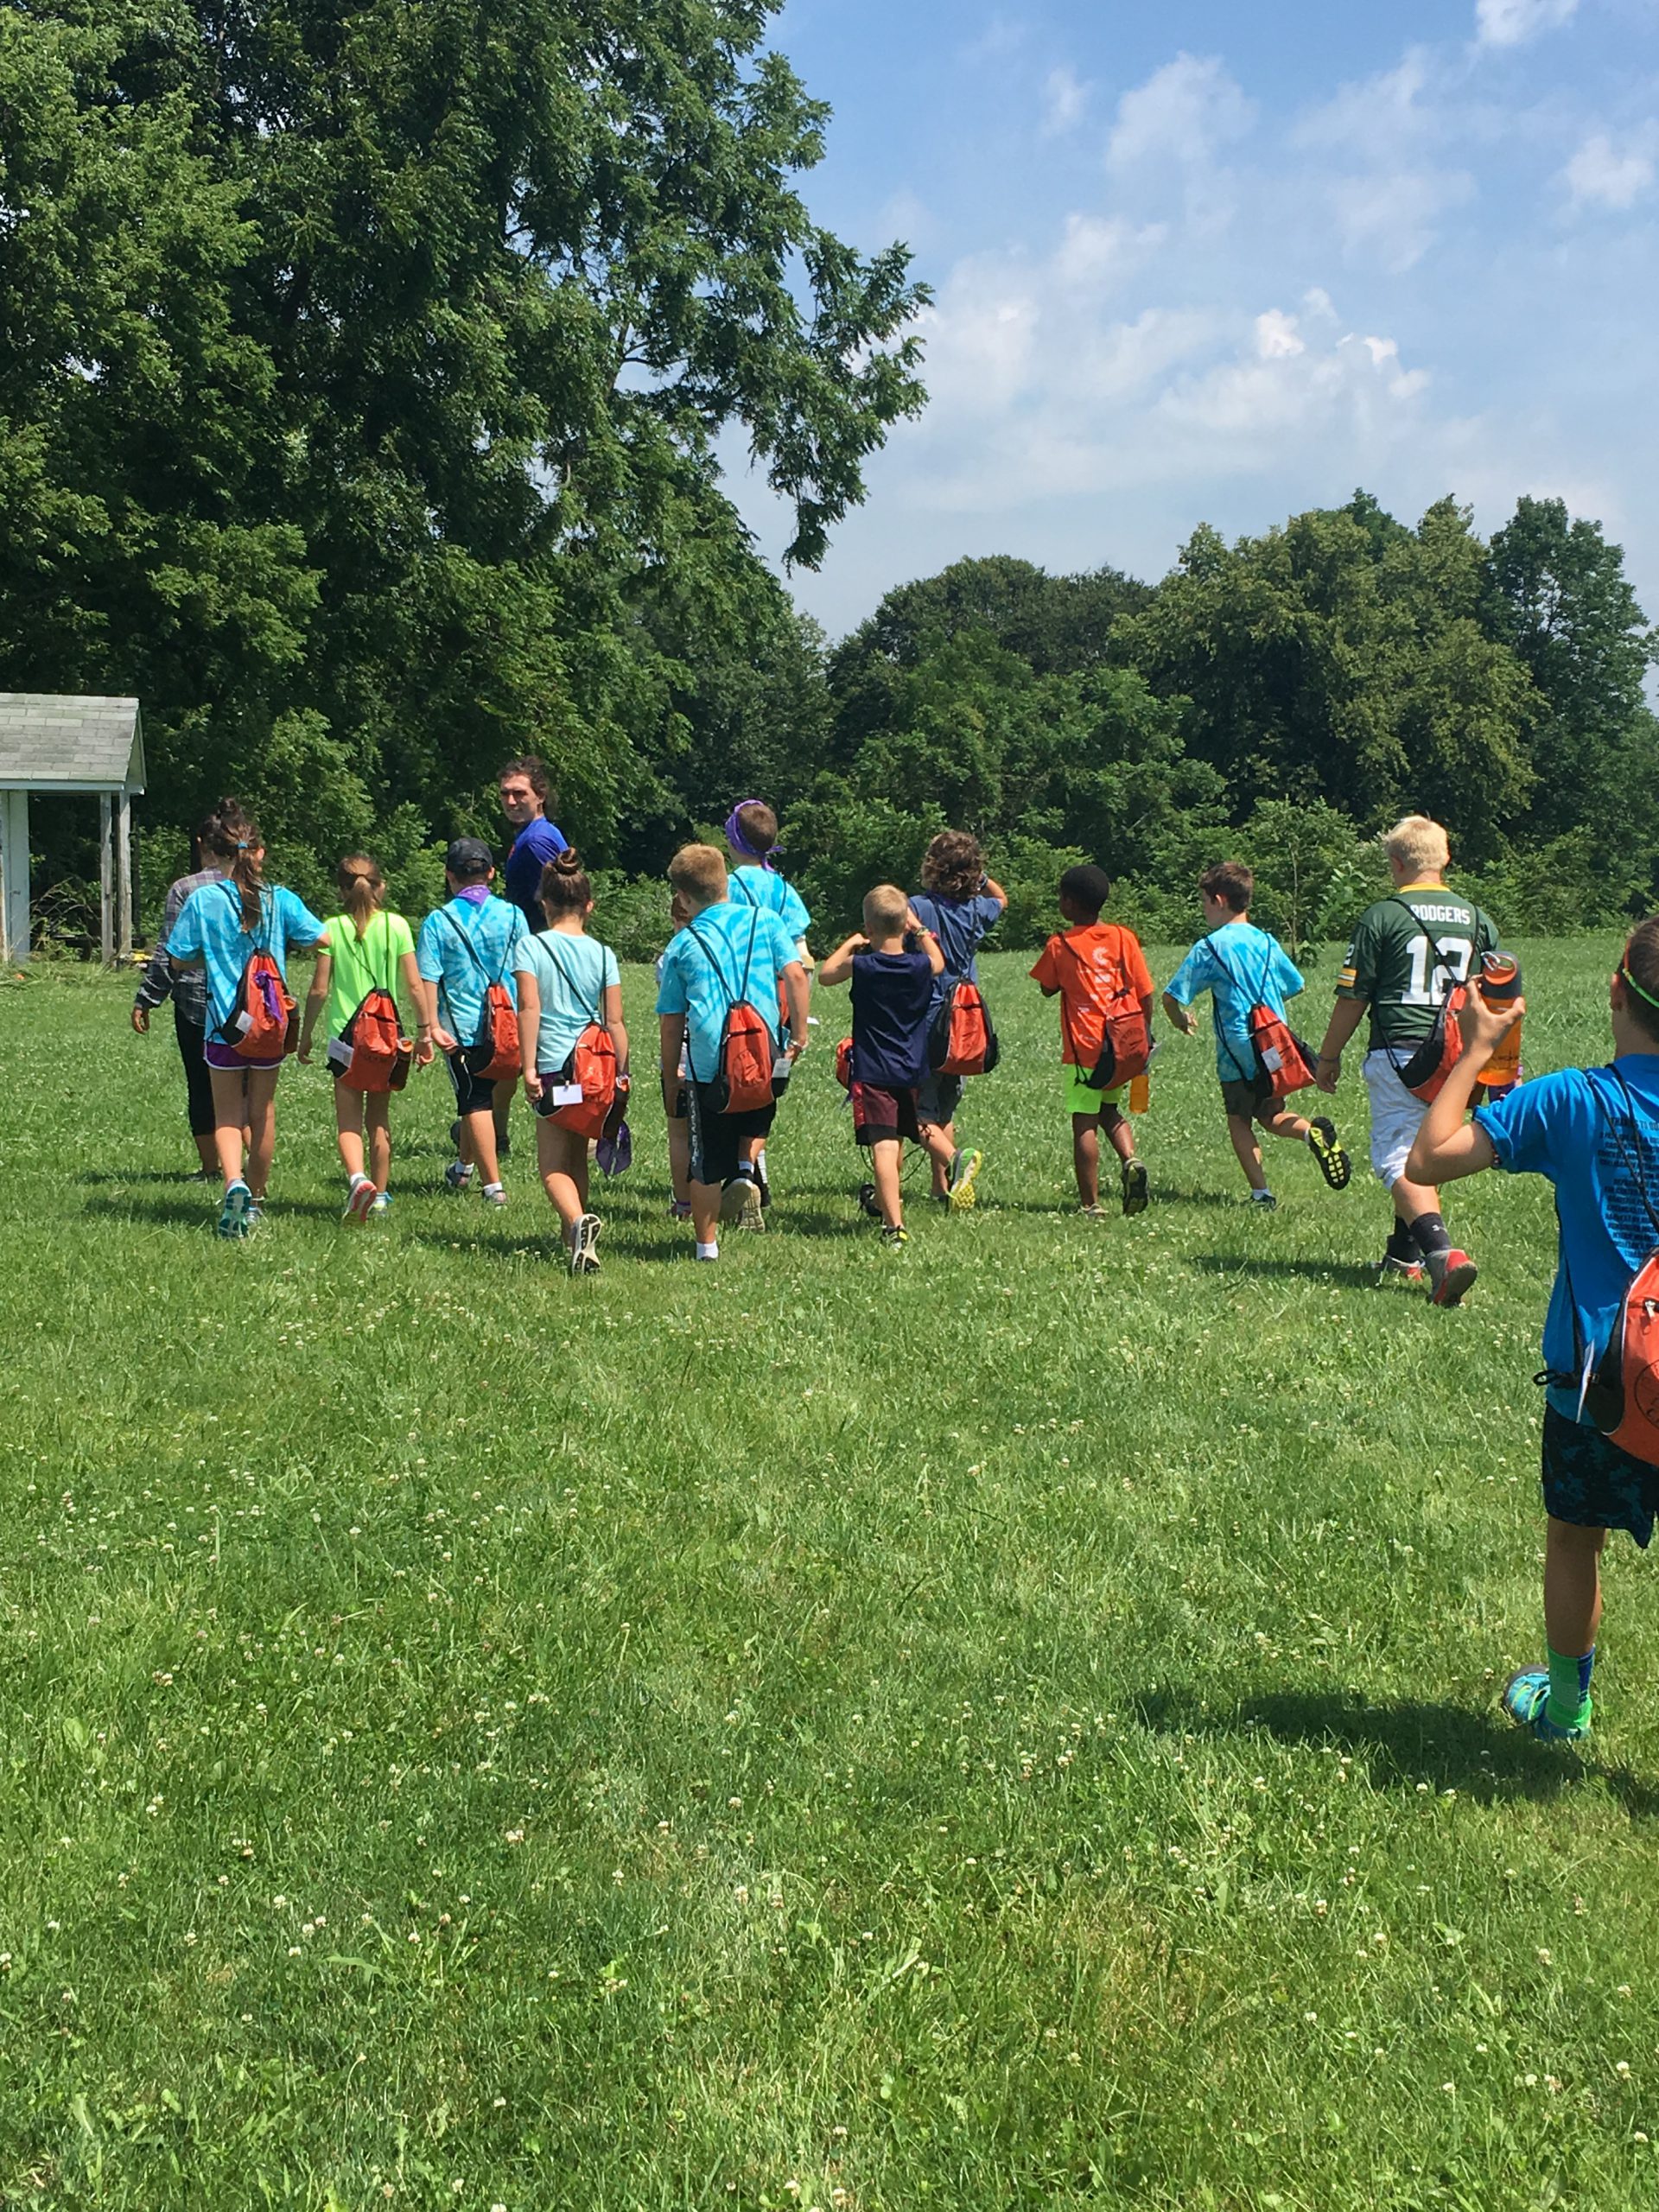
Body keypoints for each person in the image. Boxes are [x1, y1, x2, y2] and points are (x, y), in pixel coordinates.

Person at [1406, 918, 1659, 1745]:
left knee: (1574, 1538)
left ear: (1615, 989)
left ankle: (1565, 1708)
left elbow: (1430, 1160)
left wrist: (1477, 1048)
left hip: (1605, 1380)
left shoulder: (1573, 1100)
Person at [1314, 816, 1498, 1305]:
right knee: (1426, 1143)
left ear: (1396, 863)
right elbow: (1497, 992)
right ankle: (1404, 1254)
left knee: (1398, 1152)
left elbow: (1355, 996)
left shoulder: (1384, 915)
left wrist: (1328, 1056)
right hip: (1461, 1053)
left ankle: (1443, 1256)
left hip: (1403, 1050)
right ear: (1446, 860)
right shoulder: (1479, 919)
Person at [165, 811, 327, 1237]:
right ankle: (255, 1199)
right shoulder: (281, 900)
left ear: (216, 854)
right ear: (260, 853)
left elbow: (178, 958)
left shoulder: (203, 900)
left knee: (227, 1114)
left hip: (224, 1025)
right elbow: (322, 938)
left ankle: (232, 1181)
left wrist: (213, 955)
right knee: (262, 1111)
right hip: (270, 1026)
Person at [1161, 861, 1351, 1208]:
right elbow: (1295, 983)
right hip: (1274, 1042)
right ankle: (1312, 1132)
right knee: (1270, 1112)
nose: (1203, 909)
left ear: (1219, 900)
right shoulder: (1265, 941)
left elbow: (1171, 996)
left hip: (1237, 1047)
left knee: (1239, 1118)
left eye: (1204, 901)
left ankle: (1261, 1194)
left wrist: (1180, 1020)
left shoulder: (1210, 947)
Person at [655, 843, 809, 1260]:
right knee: (757, 1118)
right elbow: (796, 974)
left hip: (709, 1064)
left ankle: (707, 1246)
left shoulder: (683, 946)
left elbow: (671, 1022)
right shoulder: (767, 922)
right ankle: (745, 1167)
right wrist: (797, 1035)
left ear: (684, 899)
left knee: (704, 1162)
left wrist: (672, 1077)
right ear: (726, 882)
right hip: (764, 1051)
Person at [297, 855, 430, 1221]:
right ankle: (382, 1194)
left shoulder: (333, 928)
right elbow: (416, 985)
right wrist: (424, 1033)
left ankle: (358, 1180)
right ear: (381, 886)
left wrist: (304, 1035)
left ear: (341, 890)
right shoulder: (397, 926)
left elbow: (320, 990)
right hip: (385, 1035)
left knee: (348, 1121)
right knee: (380, 1119)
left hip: (344, 1039)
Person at [514, 848, 628, 1275]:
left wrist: (528, 1069)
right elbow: (614, 1020)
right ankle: (575, 1241)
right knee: (578, 1155)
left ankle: (578, 1223)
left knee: (551, 1168)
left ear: (544, 903)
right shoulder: (603, 954)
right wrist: (622, 1072)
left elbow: (529, 1008)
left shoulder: (531, 947)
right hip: (594, 1069)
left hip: (553, 1068)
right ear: (589, 906)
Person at [817, 887, 946, 1249]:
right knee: (911, 1129)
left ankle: (894, 1226)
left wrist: (851, 942)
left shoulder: (864, 965)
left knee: (885, 1146)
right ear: (904, 925)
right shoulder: (919, 965)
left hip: (874, 1071)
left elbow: (826, 975)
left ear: (869, 927)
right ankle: (953, 1157)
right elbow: (938, 963)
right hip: (911, 1067)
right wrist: (919, 930)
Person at [1030, 864, 1154, 1218]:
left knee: (1084, 1121)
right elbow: (1145, 992)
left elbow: (1046, 987)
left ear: (1069, 903)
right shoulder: (1122, 937)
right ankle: (1131, 1159)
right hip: (1123, 1044)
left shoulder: (1060, 945)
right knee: (1110, 1111)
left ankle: (1090, 1204)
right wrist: (1143, 1035)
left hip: (1085, 1050)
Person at [414, 837, 528, 1206]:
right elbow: (526, 971)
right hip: (509, 1024)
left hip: (461, 1029)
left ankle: (493, 1187)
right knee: (483, 1097)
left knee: (474, 1101)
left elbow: (428, 978)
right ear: (491, 873)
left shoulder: (438, 921)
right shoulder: (514, 916)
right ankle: (463, 1167)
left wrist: (430, 1027)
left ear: (450, 876)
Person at [131, 805, 240, 1178]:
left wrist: (148, 998)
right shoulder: (253, 889)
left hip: (195, 1003)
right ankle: (245, 1168)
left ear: (201, 844)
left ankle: (212, 1166)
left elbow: (169, 951)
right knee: (244, 1087)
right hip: (245, 1004)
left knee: (201, 1082)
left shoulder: (185, 889)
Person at [909, 830, 1007, 1210]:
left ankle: (955, 1161)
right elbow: (1001, 899)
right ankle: (943, 1189)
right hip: (965, 1024)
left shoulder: (918, 908)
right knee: (944, 1110)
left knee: (917, 1114)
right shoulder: (977, 910)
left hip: (930, 1021)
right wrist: (979, 880)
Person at [723, 798, 813, 1210]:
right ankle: (752, 1165)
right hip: (772, 1003)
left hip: (728, 1000)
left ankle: (736, 1171)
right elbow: (803, 957)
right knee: (763, 1088)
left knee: (728, 1082)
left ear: (732, 839)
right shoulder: (783, 890)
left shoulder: (725, 886)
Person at [657, 889, 696, 1221]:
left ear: (674, 920)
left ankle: (684, 1202)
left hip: (679, 1052)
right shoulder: (713, 947)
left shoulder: (669, 956)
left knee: (679, 1131)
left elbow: (669, 1017)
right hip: (713, 1053)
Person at [499, 756, 570, 931]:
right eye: (505, 793)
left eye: (519, 793)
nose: (510, 801)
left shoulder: (536, 841)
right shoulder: (536, 833)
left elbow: (558, 903)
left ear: (540, 796)